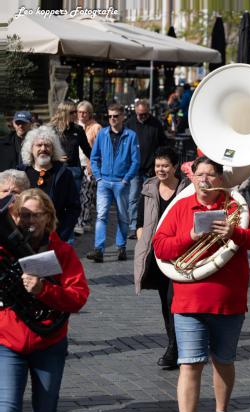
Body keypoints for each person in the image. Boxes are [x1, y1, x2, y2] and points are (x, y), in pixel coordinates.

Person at [153, 156, 250, 412]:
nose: (203, 179)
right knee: (189, 365)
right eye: (198, 174)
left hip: (228, 299)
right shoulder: (180, 207)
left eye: (210, 175)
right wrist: (190, 236)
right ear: (192, 179)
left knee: (223, 361)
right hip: (189, 300)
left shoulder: (235, 207)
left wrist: (234, 234)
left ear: (220, 179)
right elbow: (160, 248)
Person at [0, 189, 89, 412]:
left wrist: (43, 292)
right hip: (8, 342)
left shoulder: (62, 253)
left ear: (48, 218)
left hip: (48, 343)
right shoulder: (4, 249)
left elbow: (79, 297)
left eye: (34, 215)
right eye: (22, 214)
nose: (27, 221)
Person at [134, 146, 188, 369]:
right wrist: (145, 245)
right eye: (158, 165)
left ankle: (174, 348)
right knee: (165, 302)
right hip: (157, 254)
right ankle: (174, 344)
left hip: (182, 253)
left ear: (175, 166)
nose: (161, 169)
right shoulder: (148, 188)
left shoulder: (187, 189)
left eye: (165, 165)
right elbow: (140, 224)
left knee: (172, 299)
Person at [87, 103, 140, 263]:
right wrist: (98, 177)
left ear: (123, 116)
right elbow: (94, 157)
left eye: (115, 116)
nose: (112, 119)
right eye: (109, 116)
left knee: (123, 217)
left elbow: (135, 161)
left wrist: (126, 179)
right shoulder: (102, 134)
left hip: (121, 182)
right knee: (101, 215)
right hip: (104, 181)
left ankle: (121, 246)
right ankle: (99, 249)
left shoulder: (131, 135)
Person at [19, 126, 81, 241]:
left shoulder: (64, 174)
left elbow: (74, 207)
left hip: (55, 235)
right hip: (24, 237)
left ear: (53, 149)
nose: (43, 148)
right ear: (30, 149)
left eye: (47, 145)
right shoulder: (21, 173)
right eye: (39, 145)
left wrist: (61, 235)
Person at [126, 99, 166, 239]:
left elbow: (163, 144)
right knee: (133, 198)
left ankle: (150, 226)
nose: (141, 117)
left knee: (152, 198)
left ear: (148, 112)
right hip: (134, 168)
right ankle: (133, 227)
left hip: (151, 168)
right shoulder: (130, 124)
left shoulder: (156, 124)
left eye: (144, 114)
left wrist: (157, 163)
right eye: (139, 114)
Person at [49, 101, 91, 193]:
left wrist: (99, 164)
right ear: (64, 113)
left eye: (76, 111)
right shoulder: (51, 129)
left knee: (74, 202)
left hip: (74, 170)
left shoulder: (78, 129)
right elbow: (44, 150)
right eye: (72, 112)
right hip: (56, 169)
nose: (76, 114)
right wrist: (55, 157)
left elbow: (87, 150)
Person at [74, 100, 102, 235]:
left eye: (84, 112)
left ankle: (82, 222)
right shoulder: (74, 126)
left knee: (86, 195)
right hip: (75, 163)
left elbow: (98, 149)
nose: (82, 115)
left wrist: (93, 166)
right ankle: (86, 220)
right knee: (82, 195)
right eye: (79, 112)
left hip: (89, 165)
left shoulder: (96, 127)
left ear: (90, 113)